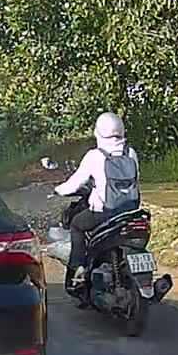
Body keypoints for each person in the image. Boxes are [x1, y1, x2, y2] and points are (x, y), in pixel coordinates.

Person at [54, 112, 141, 293]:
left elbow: (75, 183)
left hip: (105, 212)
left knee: (77, 225)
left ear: (98, 132)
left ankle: (78, 268)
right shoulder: (131, 153)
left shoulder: (95, 155)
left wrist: (58, 190)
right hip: (131, 212)